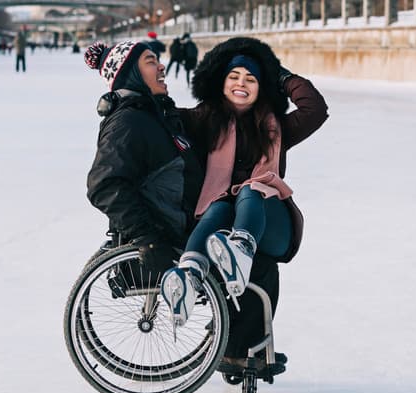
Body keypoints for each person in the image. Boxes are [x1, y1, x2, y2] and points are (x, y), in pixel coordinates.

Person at [163, 37, 329, 374]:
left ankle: (242, 245)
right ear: (221, 82)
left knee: (253, 189)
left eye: (251, 79)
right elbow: (160, 118)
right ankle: (191, 277)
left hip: (270, 223)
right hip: (220, 227)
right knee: (221, 206)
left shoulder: (276, 128)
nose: (242, 84)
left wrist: (280, 76)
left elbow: (315, 109)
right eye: (234, 76)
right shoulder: (203, 121)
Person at [84, 40, 203, 287]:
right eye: (151, 61)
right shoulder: (128, 122)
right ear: (131, 74)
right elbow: (104, 185)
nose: (161, 67)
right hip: (173, 237)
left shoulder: (154, 114)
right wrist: (146, 237)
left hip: (190, 221)